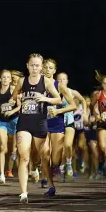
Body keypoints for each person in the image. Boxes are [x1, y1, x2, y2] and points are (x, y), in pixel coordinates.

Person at [9, 53, 62, 204]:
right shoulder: (22, 81)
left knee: (43, 157)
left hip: (40, 123)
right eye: (32, 65)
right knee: (24, 156)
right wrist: (16, 100)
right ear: (27, 66)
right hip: (24, 123)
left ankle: (50, 184)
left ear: (41, 67)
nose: (34, 68)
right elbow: (13, 97)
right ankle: (24, 193)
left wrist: (45, 98)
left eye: (37, 65)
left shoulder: (46, 82)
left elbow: (58, 99)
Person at [40, 59, 76, 196]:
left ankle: (58, 167)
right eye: (45, 67)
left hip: (57, 124)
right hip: (41, 124)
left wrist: (58, 111)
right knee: (44, 154)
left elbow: (73, 105)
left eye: (50, 68)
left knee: (55, 160)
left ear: (54, 70)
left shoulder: (59, 86)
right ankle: (51, 186)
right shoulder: (37, 84)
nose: (47, 70)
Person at [0, 70, 21, 183]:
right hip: (1, 121)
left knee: (13, 150)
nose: (5, 79)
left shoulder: (13, 90)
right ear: (0, 79)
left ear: (10, 79)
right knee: (2, 147)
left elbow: (19, 106)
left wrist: (11, 111)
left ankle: (9, 169)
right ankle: (1, 174)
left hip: (13, 120)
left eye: (7, 77)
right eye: (3, 77)